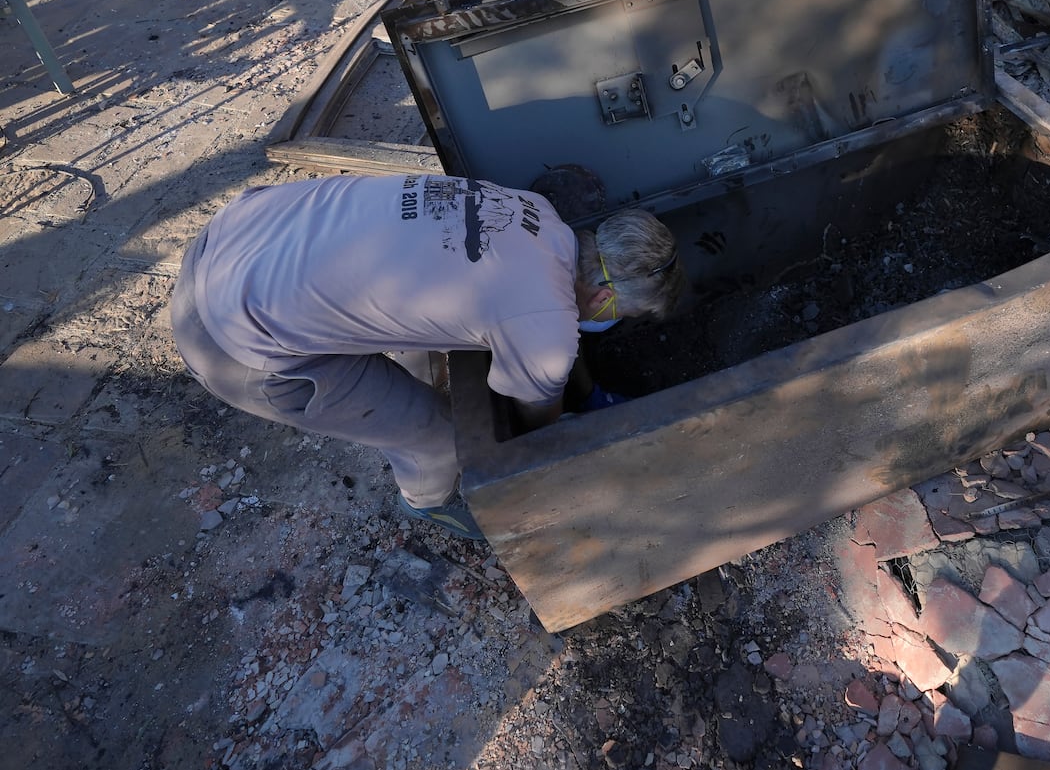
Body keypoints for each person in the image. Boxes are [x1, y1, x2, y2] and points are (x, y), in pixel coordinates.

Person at [168, 173, 684, 541]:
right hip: (228, 336)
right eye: (627, 313)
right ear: (601, 298)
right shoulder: (544, 328)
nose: (617, 319)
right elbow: (537, 420)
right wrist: (563, 419)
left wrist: (580, 385)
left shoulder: (534, 210)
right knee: (438, 437)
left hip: (239, 236)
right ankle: (430, 505)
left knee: (425, 335)